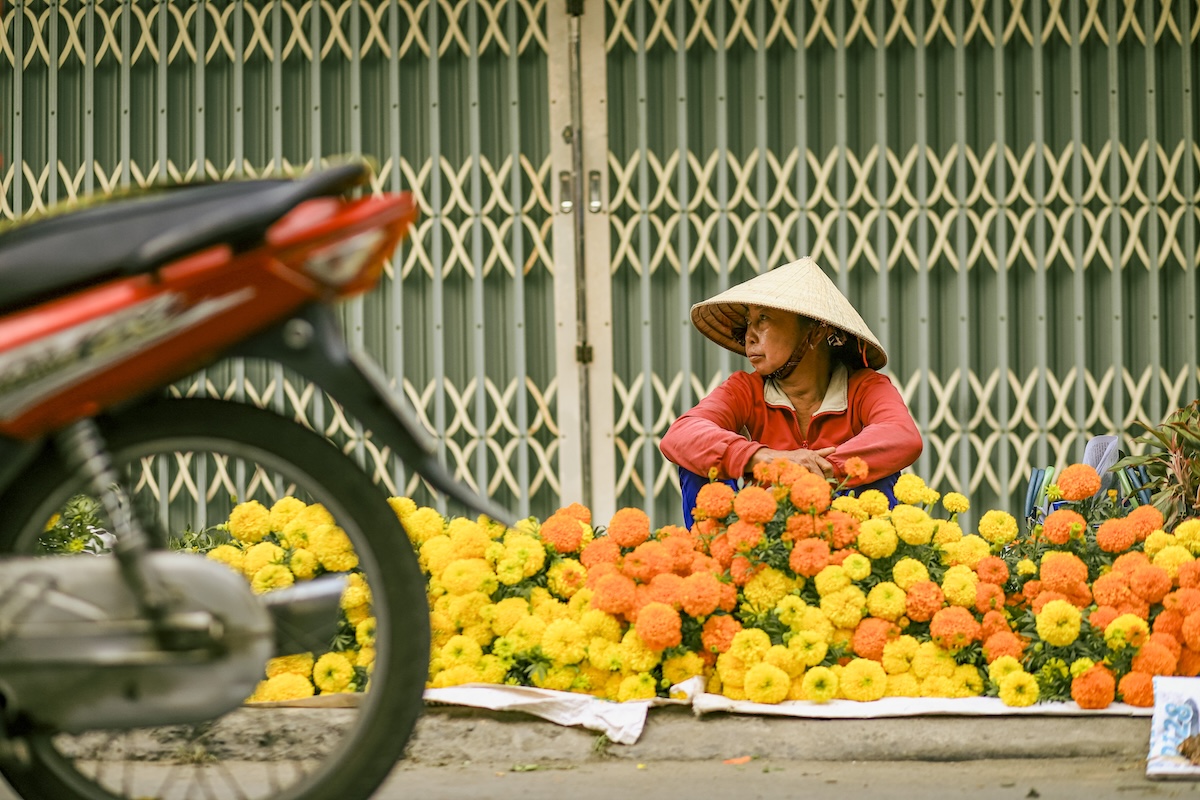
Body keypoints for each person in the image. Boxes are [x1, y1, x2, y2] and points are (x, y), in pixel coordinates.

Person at [660, 256, 923, 527]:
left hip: (845, 535)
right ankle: (712, 558)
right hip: (761, 536)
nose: (749, 335)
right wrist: (768, 458)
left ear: (815, 333)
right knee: (698, 464)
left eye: (763, 318)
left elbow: (903, 436)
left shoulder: (865, 387)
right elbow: (680, 435)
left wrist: (818, 472)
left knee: (878, 473)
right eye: (748, 322)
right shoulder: (745, 388)